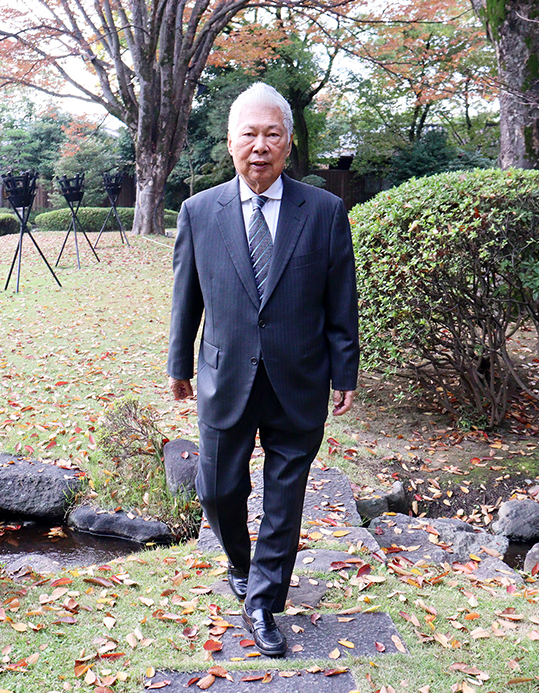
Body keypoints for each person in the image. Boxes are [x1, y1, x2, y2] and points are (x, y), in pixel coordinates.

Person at [166, 82, 360, 658]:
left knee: (285, 494)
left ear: (288, 143)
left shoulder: (323, 211)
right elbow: (186, 296)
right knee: (220, 488)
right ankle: (239, 563)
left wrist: (344, 371)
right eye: (248, 134)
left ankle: (263, 601)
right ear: (230, 143)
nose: (260, 146)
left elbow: (340, 298)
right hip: (224, 376)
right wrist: (178, 361)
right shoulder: (200, 212)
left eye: (271, 134)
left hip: (299, 377)